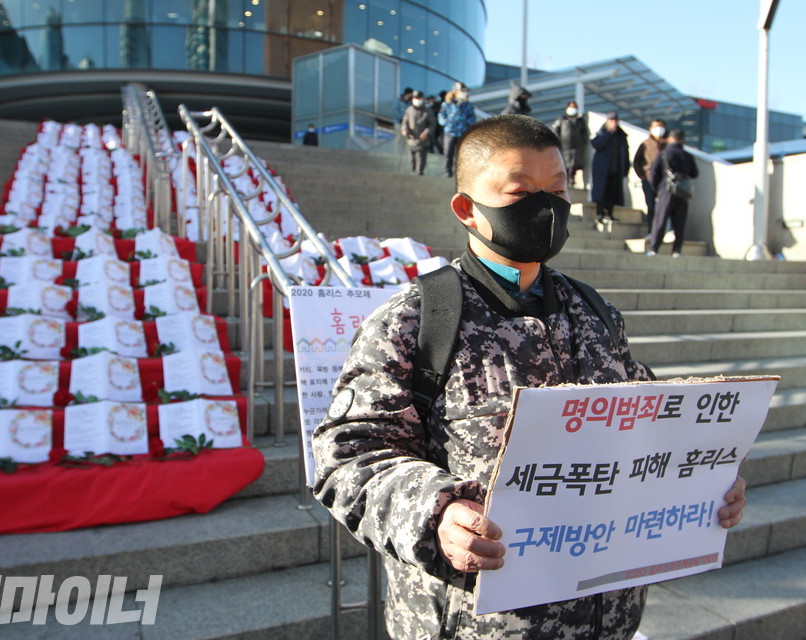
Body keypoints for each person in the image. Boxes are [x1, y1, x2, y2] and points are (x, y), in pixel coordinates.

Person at [313, 114, 748, 640]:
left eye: (558, 191)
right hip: (477, 623)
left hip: (606, 618)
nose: (546, 209)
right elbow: (350, 456)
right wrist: (437, 514)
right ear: (468, 210)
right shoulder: (417, 318)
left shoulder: (595, 311)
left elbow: (649, 421)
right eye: (521, 193)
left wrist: (702, 478)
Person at [647, 129, 698, 257]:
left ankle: (654, 249)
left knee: (660, 220)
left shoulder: (664, 154)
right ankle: (676, 251)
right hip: (683, 192)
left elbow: (654, 173)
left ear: (670, 139)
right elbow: (694, 173)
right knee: (679, 223)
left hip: (666, 190)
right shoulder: (688, 156)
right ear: (682, 140)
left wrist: (657, 189)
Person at [590, 111, 630, 225]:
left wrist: (626, 168)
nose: (614, 123)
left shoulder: (621, 136)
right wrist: (608, 133)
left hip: (616, 169)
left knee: (613, 193)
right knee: (601, 192)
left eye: (615, 121)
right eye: (611, 121)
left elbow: (626, 152)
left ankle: (610, 213)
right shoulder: (602, 132)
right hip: (602, 169)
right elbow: (596, 144)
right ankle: (600, 213)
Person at [632, 119, 667, 233]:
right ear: (651, 129)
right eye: (656, 126)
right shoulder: (645, 144)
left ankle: (664, 231)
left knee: (664, 207)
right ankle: (651, 231)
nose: (658, 129)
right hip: (648, 179)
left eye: (660, 126)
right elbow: (636, 161)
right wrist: (641, 175)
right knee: (651, 206)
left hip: (664, 181)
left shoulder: (667, 144)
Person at [439, 82, 477, 179]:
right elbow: (441, 116)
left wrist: (467, 122)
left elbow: (472, 118)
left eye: (465, 91)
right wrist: (447, 122)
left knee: (461, 155)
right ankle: (447, 173)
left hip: (463, 132)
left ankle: (460, 175)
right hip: (450, 132)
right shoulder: (447, 104)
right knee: (448, 153)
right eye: (462, 91)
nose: (464, 93)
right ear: (455, 92)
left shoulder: (468, 105)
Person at [550, 100, 590, 188]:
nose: (573, 109)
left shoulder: (580, 120)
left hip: (577, 148)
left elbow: (584, 133)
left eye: (574, 107)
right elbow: (555, 130)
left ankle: (572, 179)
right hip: (565, 147)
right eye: (571, 107)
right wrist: (558, 141)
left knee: (574, 166)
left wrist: (583, 142)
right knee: (565, 165)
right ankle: (567, 180)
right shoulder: (562, 119)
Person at [402, 90, 433, 176]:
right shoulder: (409, 110)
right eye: (416, 98)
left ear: (423, 99)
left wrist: (427, 132)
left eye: (419, 98)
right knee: (412, 161)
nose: (417, 100)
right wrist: (404, 129)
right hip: (411, 139)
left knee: (420, 160)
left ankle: (419, 174)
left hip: (422, 141)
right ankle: (413, 174)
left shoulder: (427, 111)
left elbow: (432, 124)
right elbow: (405, 122)